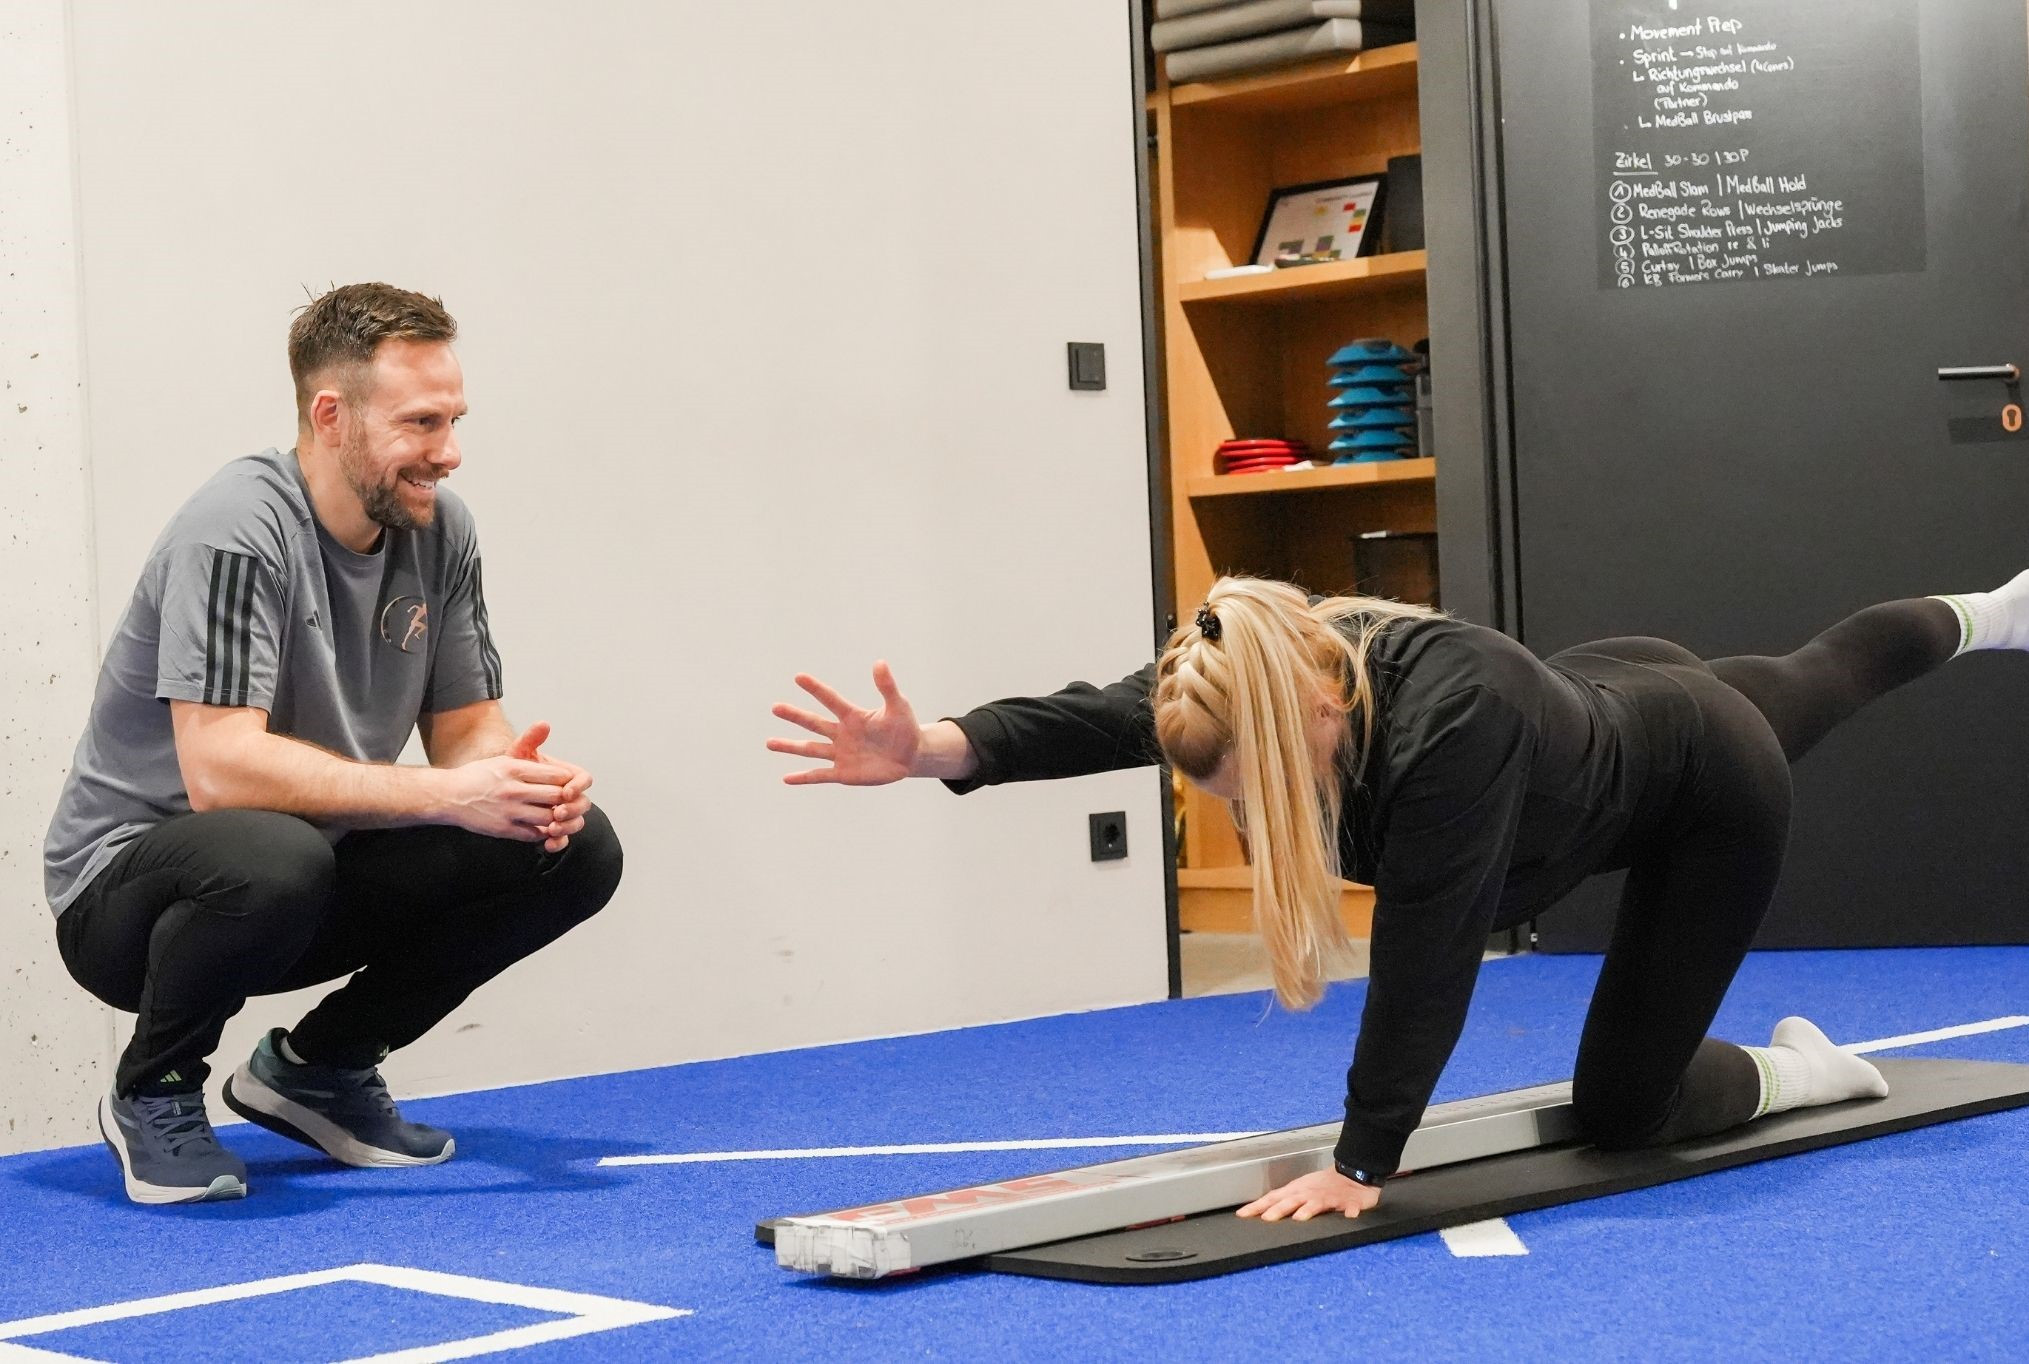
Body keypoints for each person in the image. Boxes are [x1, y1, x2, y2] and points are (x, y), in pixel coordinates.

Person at [769, 571, 2029, 1221]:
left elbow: (1431, 951)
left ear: (1321, 716)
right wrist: (939, 746)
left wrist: (1364, 1154)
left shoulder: (1448, 735)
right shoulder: (1253, 664)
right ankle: (1997, 612)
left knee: (1623, 1109)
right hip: (1613, 705)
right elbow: (1105, 713)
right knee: (1818, 669)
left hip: (1701, 791)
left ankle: (1810, 1066)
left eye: (1259, 789)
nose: (1251, 817)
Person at [45, 283, 623, 1205]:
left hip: (305, 875)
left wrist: (519, 786)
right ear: (331, 416)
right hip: (135, 905)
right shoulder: (236, 526)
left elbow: (467, 729)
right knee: (273, 852)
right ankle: (153, 1088)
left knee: (572, 848)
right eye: (421, 422)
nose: (449, 451)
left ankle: (322, 1069)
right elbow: (221, 772)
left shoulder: (439, 527)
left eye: (454, 420)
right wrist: (449, 796)